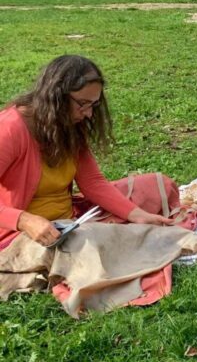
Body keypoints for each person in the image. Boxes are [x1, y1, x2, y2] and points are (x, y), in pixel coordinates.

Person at [0, 55, 173, 250]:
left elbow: (92, 182)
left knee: (156, 186)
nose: (89, 113)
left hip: (69, 222)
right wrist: (24, 220)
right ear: (56, 96)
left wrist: (137, 215)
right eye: (83, 103)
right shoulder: (9, 129)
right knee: (93, 247)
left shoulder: (67, 124)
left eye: (93, 104)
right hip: (20, 234)